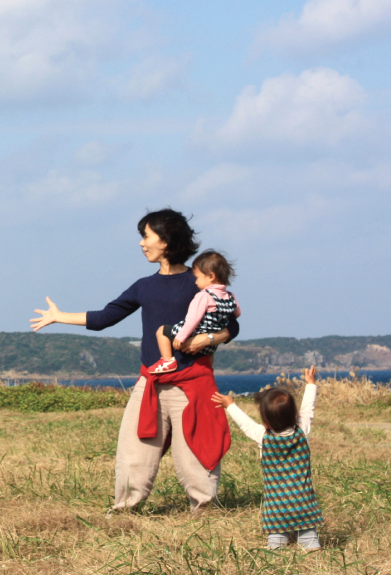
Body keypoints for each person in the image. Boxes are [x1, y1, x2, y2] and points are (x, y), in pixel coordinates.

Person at [30, 208, 239, 512]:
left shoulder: (198, 283)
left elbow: (231, 326)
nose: (142, 243)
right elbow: (105, 317)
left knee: (197, 453)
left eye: (146, 236)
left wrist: (207, 339)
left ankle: (205, 514)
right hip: (150, 383)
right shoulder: (144, 286)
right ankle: (123, 513)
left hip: (192, 383)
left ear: (166, 240)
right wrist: (60, 317)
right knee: (133, 454)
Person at [212, 367, 323, 551]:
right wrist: (311, 384)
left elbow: (245, 424)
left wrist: (229, 404)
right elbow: (308, 409)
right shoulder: (302, 431)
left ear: (266, 422)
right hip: (304, 504)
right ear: (294, 415)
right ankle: (310, 542)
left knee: (276, 536)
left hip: (276, 507)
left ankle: (277, 542)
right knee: (309, 534)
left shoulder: (263, 436)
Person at [151, 250, 240, 374]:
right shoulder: (230, 296)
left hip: (194, 335)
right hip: (211, 345)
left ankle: (167, 361)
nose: (196, 282)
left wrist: (181, 337)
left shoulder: (203, 296)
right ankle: (208, 370)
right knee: (208, 357)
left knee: (162, 331)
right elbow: (237, 314)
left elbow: (192, 319)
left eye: (197, 277)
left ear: (211, 276)